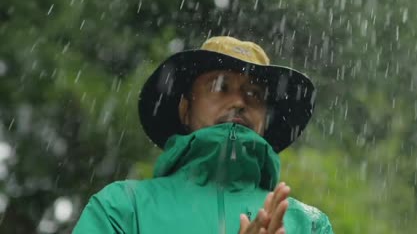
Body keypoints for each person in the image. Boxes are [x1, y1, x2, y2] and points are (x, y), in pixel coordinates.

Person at [73, 36, 334, 234]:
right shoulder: (124, 208)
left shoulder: (309, 224)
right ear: (185, 109)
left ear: (266, 120)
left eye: (254, 93)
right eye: (220, 86)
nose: (239, 102)